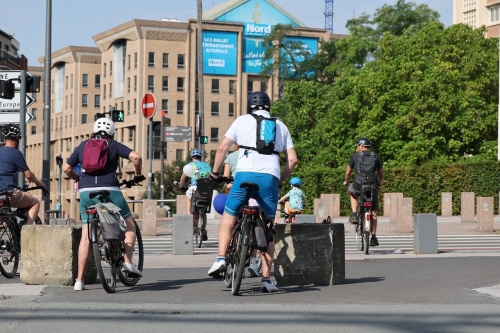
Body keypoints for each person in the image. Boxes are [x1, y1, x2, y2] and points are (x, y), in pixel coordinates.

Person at [208, 91, 298, 293]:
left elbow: (223, 148)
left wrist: (215, 173)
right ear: (269, 108)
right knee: (269, 230)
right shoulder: (280, 125)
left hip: (244, 176)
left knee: (228, 220)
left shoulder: (241, 121)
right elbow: (293, 160)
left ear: (250, 106)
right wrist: (281, 180)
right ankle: (266, 280)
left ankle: (221, 258)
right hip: (270, 179)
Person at [63, 118, 144, 291]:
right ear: (112, 132)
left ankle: (79, 281)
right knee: (130, 225)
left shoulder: (83, 145)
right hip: (110, 191)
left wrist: (79, 180)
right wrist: (138, 175)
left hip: (85, 193)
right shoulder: (113, 145)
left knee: (86, 236)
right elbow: (136, 157)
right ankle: (128, 262)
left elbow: (66, 169)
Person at [0, 124, 47, 225]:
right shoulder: (16, 153)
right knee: (35, 202)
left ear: (5, 137)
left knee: (3, 216)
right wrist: (39, 183)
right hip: (8, 193)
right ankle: (26, 232)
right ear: (17, 138)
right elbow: (28, 175)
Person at [343, 137, 384, 247]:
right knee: (373, 211)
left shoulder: (355, 156)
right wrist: (379, 182)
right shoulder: (376, 157)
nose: (356, 148)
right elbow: (381, 174)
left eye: (357, 146)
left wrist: (346, 181)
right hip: (372, 185)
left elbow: (348, 173)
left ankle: (354, 214)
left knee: (352, 192)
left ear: (360, 145)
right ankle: (374, 237)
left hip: (359, 184)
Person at [178, 149, 212, 240]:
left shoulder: (190, 165)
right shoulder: (207, 165)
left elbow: (182, 179)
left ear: (191, 157)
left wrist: (181, 187)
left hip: (194, 188)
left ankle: (189, 216)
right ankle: (203, 228)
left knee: (188, 197)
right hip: (206, 189)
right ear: (201, 157)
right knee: (203, 209)